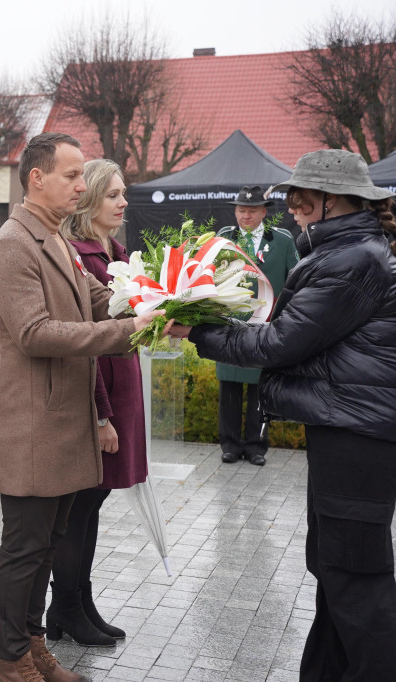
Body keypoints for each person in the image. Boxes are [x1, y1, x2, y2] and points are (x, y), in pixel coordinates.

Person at [168, 149, 396, 682]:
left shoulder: (353, 259)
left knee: (355, 581)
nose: (290, 207)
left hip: (358, 437)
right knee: (335, 570)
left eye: (300, 197)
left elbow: (282, 342)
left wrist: (197, 330)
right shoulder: (348, 250)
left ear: (333, 201)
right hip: (348, 431)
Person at [0, 133, 161, 682]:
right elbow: (36, 333)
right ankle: (10, 663)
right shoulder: (13, 244)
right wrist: (124, 331)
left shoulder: (55, 238)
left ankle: (34, 647)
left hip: (61, 423)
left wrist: (163, 302)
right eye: (72, 175)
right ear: (37, 178)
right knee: (24, 548)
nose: (82, 186)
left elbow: (99, 297)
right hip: (34, 426)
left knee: (46, 547)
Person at [48, 159, 147, 648]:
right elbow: (81, 342)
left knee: (93, 505)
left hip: (119, 380)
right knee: (80, 506)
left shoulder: (113, 251)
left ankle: (77, 601)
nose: (123, 202)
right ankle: (65, 607)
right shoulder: (79, 255)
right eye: (113, 195)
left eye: (123, 193)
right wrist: (101, 413)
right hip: (99, 388)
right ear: (88, 202)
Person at [212, 185, 299, 466]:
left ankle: (256, 446)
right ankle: (229, 445)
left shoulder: (283, 241)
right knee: (229, 386)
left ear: (263, 212)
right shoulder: (224, 239)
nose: (245, 215)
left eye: (251, 210)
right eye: (240, 210)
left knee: (260, 387)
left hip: (266, 327)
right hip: (229, 324)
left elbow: (295, 282)